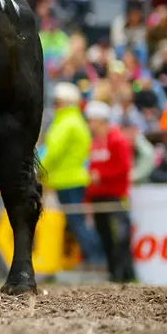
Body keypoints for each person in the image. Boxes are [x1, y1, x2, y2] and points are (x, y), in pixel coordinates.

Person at [39, 82, 103, 268]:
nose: (55, 104)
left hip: (68, 180)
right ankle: (92, 259)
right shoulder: (72, 121)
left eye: (58, 101)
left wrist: (38, 170)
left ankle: (96, 260)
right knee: (75, 222)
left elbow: (52, 152)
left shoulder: (67, 123)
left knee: (77, 223)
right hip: (69, 179)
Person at [83, 102, 138, 284]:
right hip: (98, 197)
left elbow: (124, 167)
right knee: (105, 236)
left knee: (120, 237)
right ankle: (114, 273)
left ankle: (125, 274)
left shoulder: (117, 140)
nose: (89, 124)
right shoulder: (95, 143)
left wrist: (101, 175)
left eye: (91, 120)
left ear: (101, 121)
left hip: (115, 196)